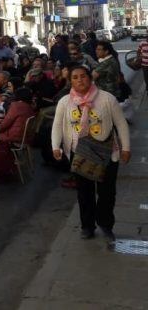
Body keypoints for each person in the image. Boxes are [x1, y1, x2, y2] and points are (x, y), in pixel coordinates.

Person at [51, 66, 130, 242]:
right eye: (75, 77)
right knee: (84, 193)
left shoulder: (107, 98)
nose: (80, 80)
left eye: (83, 76)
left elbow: (121, 124)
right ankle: (87, 226)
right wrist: (56, 146)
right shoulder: (65, 102)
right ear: (70, 81)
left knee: (107, 193)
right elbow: (57, 125)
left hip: (107, 154)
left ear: (90, 78)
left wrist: (126, 148)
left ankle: (106, 225)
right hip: (80, 154)